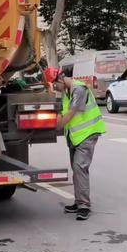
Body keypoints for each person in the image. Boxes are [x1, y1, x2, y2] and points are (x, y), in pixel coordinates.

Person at [44, 67, 105, 220]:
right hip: (75, 137)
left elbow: (68, 115)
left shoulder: (79, 90)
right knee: (77, 169)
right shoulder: (67, 93)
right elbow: (62, 115)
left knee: (79, 167)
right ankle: (79, 202)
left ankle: (84, 205)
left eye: (54, 85)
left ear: (60, 80)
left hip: (88, 134)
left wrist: (57, 122)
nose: (55, 88)